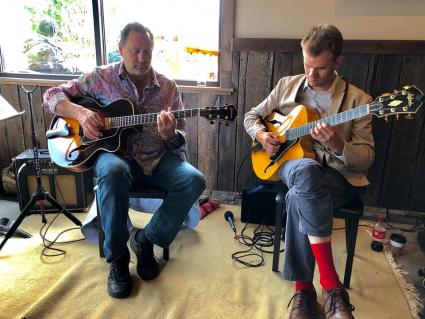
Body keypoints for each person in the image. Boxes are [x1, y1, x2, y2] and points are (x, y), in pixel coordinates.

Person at [42, 22, 206, 299]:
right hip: (114, 156)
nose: (142, 58)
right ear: (121, 50)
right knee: (113, 172)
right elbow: (51, 96)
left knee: (194, 180)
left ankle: (145, 241)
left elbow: (180, 136)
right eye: (135, 51)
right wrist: (81, 114)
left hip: (157, 157)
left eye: (148, 52)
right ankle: (117, 261)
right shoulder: (98, 77)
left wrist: (169, 136)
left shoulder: (168, 87)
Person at [244, 24, 374, 319]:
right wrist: (263, 136)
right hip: (292, 164)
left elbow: (366, 158)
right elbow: (252, 116)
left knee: (298, 196)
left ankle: (303, 291)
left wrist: (339, 144)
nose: (311, 75)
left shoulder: (360, 102)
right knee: (304, 172)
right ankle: (333, 289)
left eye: (320, 68)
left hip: (337, 177)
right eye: (306, 65)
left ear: (338, 62)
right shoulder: (287, 85)